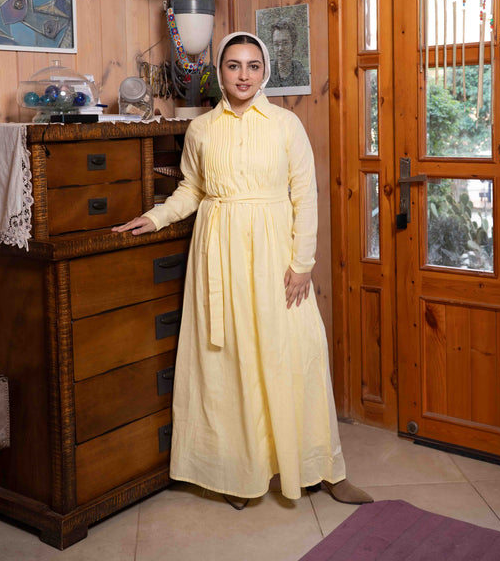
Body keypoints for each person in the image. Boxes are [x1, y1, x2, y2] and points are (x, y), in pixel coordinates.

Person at [112, 32, 372, 509]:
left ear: (264, 71)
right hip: (220, 251)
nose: (244, 75)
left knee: (297, 352)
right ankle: (240, 472)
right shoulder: (201, 129)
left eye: (253, 66)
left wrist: (302, 264)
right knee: (231, 361)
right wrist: (157, 217)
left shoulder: (286, 125)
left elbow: (305, 195)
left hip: (275, 251)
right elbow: (192, 189)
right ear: (220, 73)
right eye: (234, 65)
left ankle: (323, 469)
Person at [268, 19, 309, 88]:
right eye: (276, 44)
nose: (280, 49)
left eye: (285, 43)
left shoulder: (302, 75)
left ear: (293, 45)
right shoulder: (265, 74)